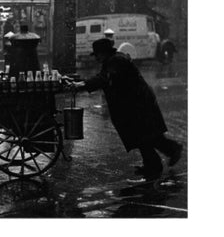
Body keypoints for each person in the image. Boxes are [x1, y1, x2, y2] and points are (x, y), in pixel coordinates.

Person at [72, 38, 183, 182]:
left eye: (97, 54)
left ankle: (163, 158)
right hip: (136, 103)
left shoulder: (116, 61)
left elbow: (105, 79)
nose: (97, 58)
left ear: (103, 53)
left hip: (138, 104)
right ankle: (156, 162)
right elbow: (104, 78)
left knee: (145, 135)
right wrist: (84, 83)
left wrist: (83, 85)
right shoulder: (113, 60)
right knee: (145, 135)